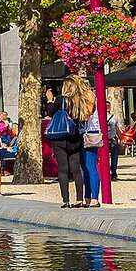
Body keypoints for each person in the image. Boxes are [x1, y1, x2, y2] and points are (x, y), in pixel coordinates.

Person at [45, 79, 90, 207]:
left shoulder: (61, 99)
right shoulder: (79, 101)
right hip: (75, 137)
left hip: (61, 138)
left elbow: (50, 112)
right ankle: (79, 199)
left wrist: (49, 100)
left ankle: (66, 200)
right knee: (76, 168)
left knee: (63, 169)